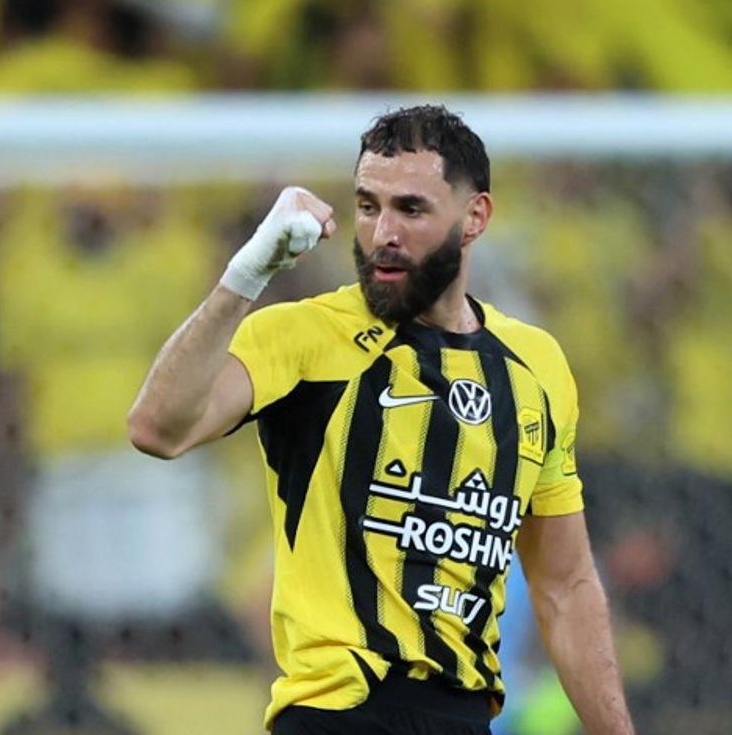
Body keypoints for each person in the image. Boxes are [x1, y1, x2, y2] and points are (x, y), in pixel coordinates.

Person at [128, 104, 634, 735]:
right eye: (368, 206)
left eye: (411, 209)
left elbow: (564, 585)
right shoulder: (309, 337)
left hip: (465, 717)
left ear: (475, 217)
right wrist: (247, 273)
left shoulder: (536, 367)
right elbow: (156, 427)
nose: (383, 233)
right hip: (338, 714)